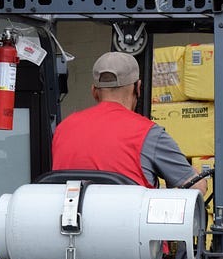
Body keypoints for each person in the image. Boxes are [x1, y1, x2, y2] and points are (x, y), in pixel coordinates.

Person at [52, 51, 207, 195]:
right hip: (126, 224)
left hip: (69, 222)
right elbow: (195, 188)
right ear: (138, 88)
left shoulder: (63, 128)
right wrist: (196, 174)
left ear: (94, 91)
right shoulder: (148, 133)